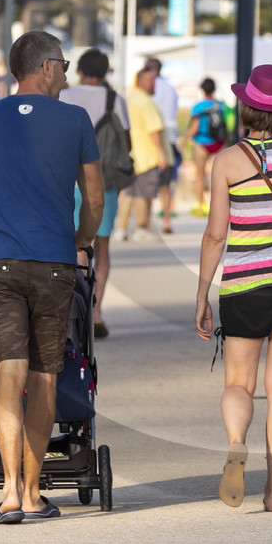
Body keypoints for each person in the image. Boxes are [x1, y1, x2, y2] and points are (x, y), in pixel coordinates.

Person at [0, 30, 103, 524]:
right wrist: (80, 240)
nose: (66, 74)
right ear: (45, 67)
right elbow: (94, 198)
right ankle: (34, 493)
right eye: (63, 64)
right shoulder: (75, 120)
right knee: (43, 375)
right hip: (54, 262)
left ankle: (10, 493)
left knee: (8, 369)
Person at [194, 64, 272, 512]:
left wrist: (202, 293)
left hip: (246, 285)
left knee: (239, 383)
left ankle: (236, 442)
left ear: (246, 106)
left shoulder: (227, 161)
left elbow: (215, 234)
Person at [61, 48, 131, 338]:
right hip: (103, 182)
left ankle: (69, 309)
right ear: (104, 72)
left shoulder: (63, 96)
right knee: (101, 248)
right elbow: (126, 142)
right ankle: (96, 312)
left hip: (65, 181)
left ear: (79, 71)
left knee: (66, 247)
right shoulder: (115, 100)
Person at [118, 61, 169, 242]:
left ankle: (121, 228)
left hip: (128, 154)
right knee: (143, 194)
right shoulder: (145, 102)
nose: (153, 84)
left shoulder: (128, 98)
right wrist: (161, 153)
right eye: (150, 81)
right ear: (139, 81)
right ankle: (140, 228)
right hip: (146, 155)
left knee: (127, 193)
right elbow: (154, 130)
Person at [182, 78, 227, 216]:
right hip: (218, 144)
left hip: (202, 143)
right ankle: (215, 206)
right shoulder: (221, 106)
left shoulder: (198, 107)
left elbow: (194, 127)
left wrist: (184, 140)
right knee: (216, 177)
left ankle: (201, 206)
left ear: (202, 90)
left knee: (200, 176)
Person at [148, 57, 181, 231]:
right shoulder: (170, 88)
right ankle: (167, 221)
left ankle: (145, 223)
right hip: (172, 134)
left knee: (147, 181)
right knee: (166, 184)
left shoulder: (150, 87)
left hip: (156, 135)